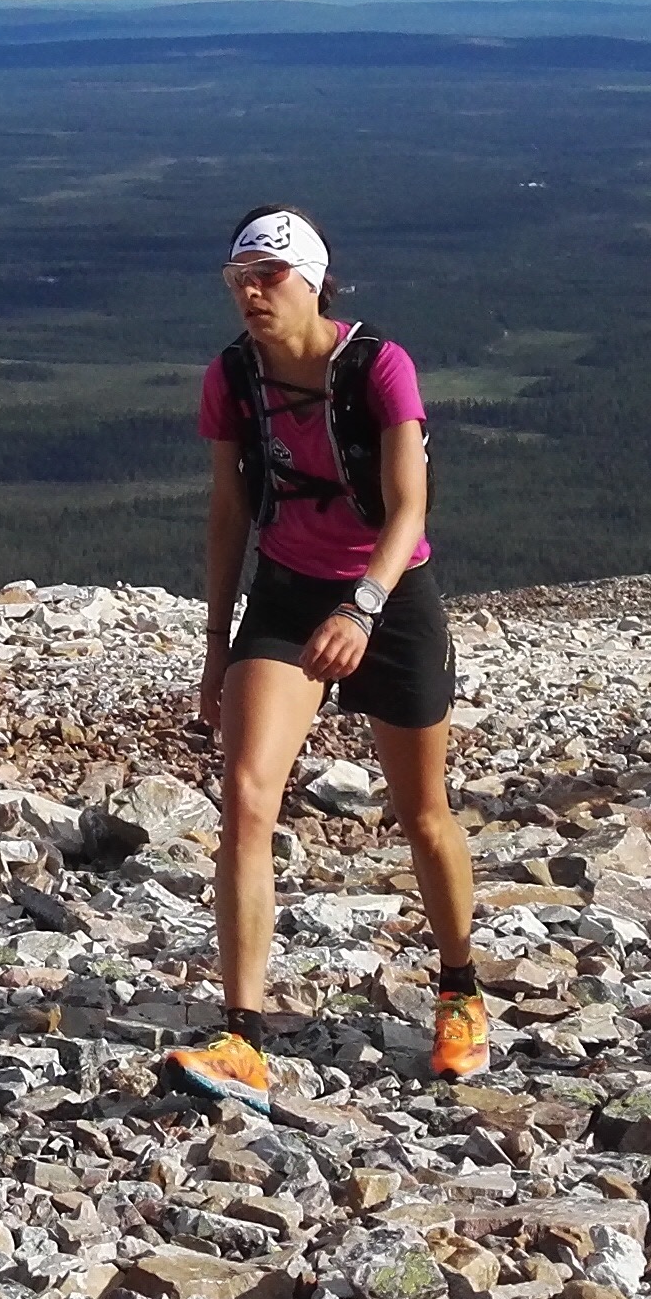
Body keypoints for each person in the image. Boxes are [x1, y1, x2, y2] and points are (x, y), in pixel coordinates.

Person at [170, 206, 482, 1108]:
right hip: (286, 590)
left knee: (422, 811)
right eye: (239, 280)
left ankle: (460, 990)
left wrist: (365, 608)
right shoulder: (231, 377)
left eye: (267, 277)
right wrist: (216, 650)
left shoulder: (379, 367)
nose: (251, 294)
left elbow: (409, 511)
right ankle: (242, 1038)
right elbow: (228, 517)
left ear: (312, 279)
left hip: (390, 593)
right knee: (245, 798)